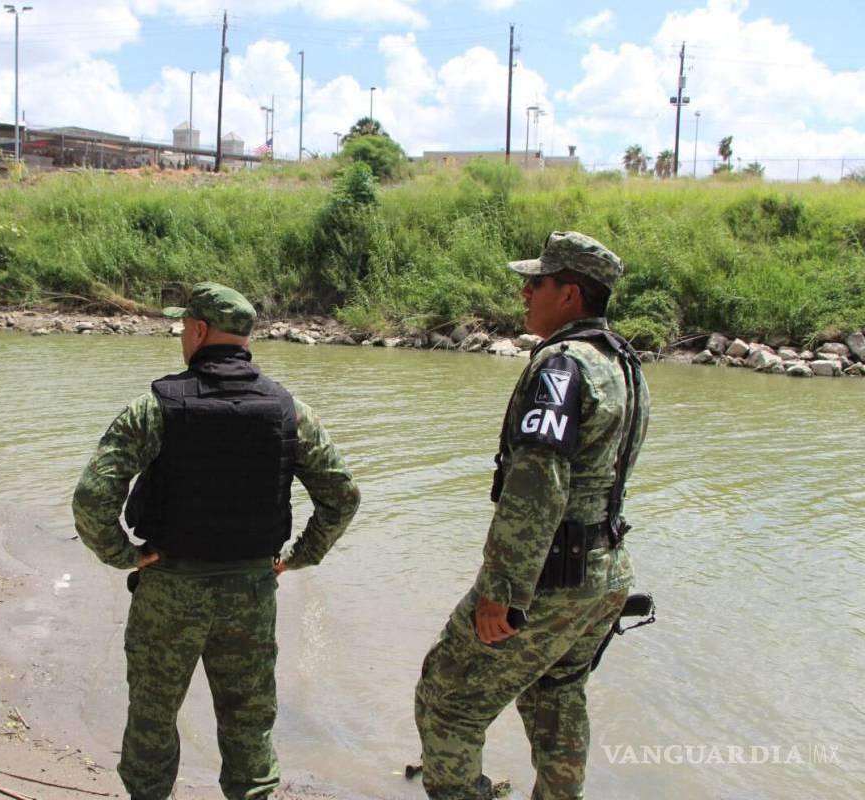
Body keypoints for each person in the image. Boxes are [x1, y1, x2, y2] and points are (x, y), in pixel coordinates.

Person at [72, 281, 360, 800]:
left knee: (153, 718)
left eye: (184, 326)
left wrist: (125, 555)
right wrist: (297, 558)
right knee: (248, 720)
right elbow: (342, 496)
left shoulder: (156, 407)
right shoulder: (288, 411)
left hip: (168, 589)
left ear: (201, 330)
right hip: (250, 591)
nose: (181, 334)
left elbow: (92, 498)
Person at [414, 231, 651, 800]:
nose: (524, 293)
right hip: (605, 572)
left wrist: (504, 590)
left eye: (536, 283)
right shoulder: (622, 362)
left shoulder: (563, 366)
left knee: (447, 702)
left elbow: (537, 482)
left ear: (569, 294)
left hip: (548, 576)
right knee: (557, 694)